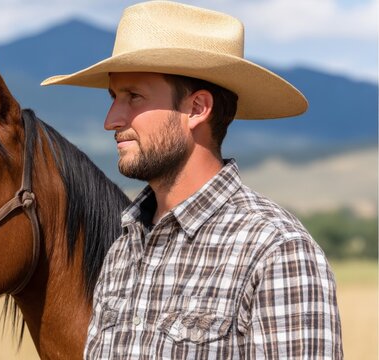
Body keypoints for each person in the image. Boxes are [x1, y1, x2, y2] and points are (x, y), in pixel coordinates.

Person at [42, 1, 343, 359]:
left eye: (133, 97)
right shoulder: (123, 251)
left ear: (198, 109)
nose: (111, 120)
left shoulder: (275, 250)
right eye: (113, 98)